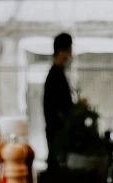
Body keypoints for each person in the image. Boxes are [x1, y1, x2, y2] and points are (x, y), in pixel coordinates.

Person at [43, 32, 73, 168]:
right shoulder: (55, 75)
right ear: (62, 51)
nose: (71, 54)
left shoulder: (56, 73)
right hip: (57, 131)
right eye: (69, 49)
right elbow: (57, 106)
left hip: (56, 130)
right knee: (56, 168)